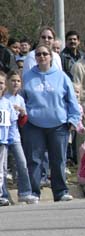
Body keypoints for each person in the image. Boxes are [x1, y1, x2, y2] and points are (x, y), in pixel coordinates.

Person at [21, 44, 81, 201]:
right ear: (35, 58)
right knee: (34, 160)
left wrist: (73, 119)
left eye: (45, 54)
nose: (42, 57)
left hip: (59, 125)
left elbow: (72, 101)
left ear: (51, 57)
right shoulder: (27, 77)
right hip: (33, 125)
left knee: (58, 160)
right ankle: (34, 192)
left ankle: (61, 192)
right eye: (39, 54)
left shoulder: (61, 76)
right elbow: (21, 99)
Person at [3, 70, 37, 204]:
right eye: (13, 80)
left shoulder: (20, 99)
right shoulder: (3, 98)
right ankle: (3, 194)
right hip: (3, 137)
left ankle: (25, 192)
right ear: (7, 82)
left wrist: (23, 113)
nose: (15, 83)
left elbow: (22, 123)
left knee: (22, 163)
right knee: (3, 167)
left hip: (15, 136)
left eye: (18, 81)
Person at [0, 71, 18, 206]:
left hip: (3, 142)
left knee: (1, 170)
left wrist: (10, 139)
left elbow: (12, 123)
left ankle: (1, 195)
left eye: (1, 83)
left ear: (5, 85)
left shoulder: (7, 103)